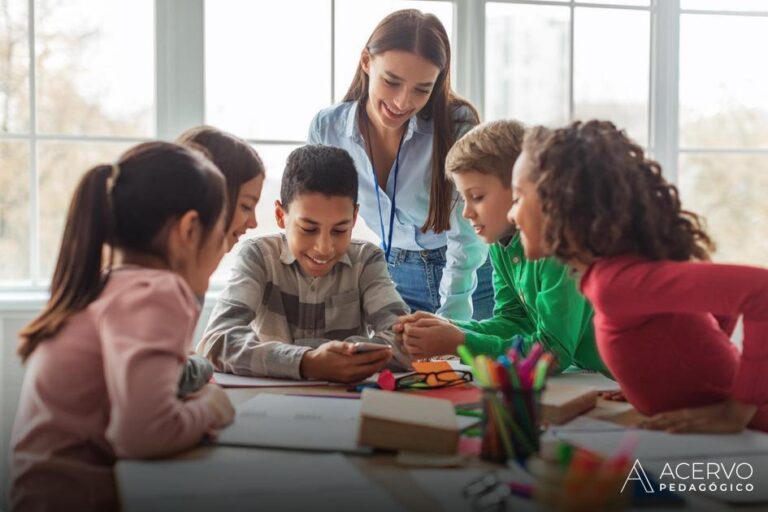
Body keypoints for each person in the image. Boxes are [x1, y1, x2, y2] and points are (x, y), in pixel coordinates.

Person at [10, 142, 235, 511]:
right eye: (222, 233)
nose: (224, 248)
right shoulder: (155, 292)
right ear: (190, 229)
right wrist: (213, 406)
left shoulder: (113, 284)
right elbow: (144, 434)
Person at [510, 120, 768, 433]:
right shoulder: (611, 275)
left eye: (517, 198)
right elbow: (710, 306)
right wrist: (659, 383)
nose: (512, 214)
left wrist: (735, 411)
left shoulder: (615, 283)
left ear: (562, 205)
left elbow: (761, 292)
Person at [308, 9, 493, 321]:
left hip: (472, 277)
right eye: (391, 81)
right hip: (396, 274)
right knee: (405, 371)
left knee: (477, 370)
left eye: (422, 88)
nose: (403, 101)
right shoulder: (327, 129)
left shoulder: (457, 124)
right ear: (367, 62)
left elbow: (467, 235)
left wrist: (454, 318)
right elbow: (316, 221)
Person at [395, 120, 609, 375]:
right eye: (463, 199)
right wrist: (447, 328)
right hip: (599, 378)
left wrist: (459, 342)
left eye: (477, 197)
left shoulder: (559, 250)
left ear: (521, 189)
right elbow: (514, 322)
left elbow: (554, 353)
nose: (466, 213)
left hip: (622, 380)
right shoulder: (501, 245)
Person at [198, 145, 411, 383]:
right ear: (281, 216)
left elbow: (405, 342)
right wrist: (307, 362)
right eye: (308, 229)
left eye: (340, 230)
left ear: (354, 218)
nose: (324, 247)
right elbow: (217, 340)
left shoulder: (366, 261)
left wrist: (341, 355)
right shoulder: (258, 256)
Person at [175, 125, 266, 395]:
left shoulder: (191, 276)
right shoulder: (167, 287)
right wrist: (201, 365)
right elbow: (176, 376)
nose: (253, 222)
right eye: (246, 206)